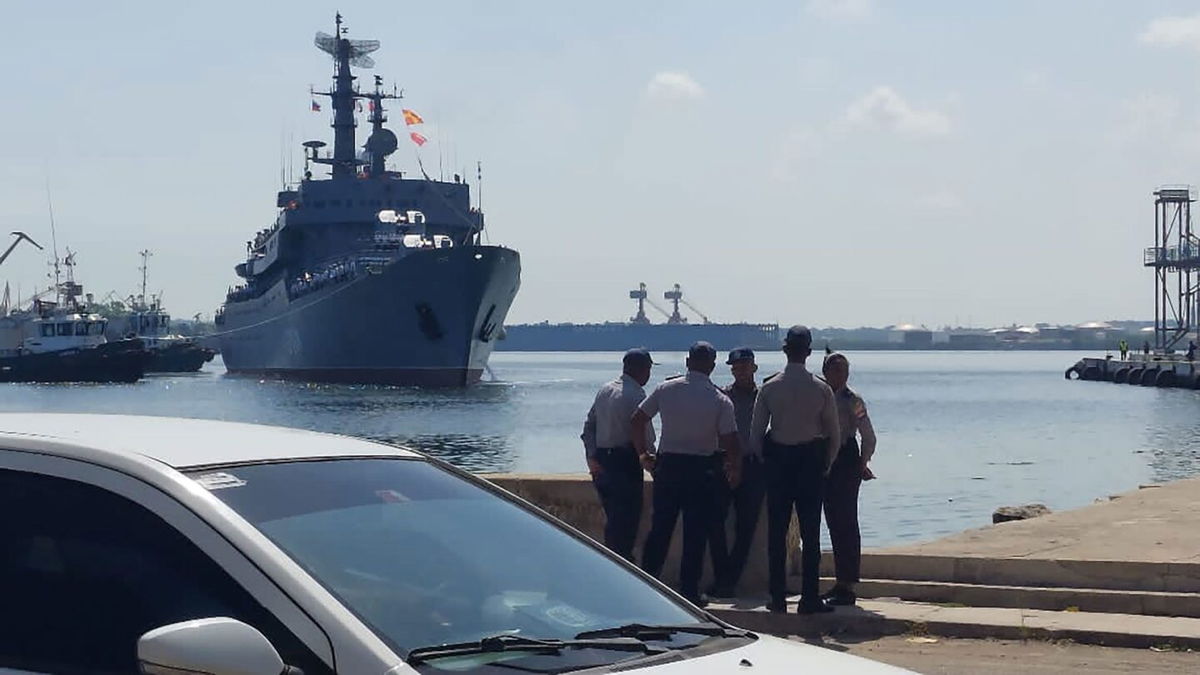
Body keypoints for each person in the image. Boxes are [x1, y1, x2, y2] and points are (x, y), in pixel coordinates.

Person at [632, 341, 742, 606]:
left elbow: (637, 419)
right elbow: (731, 441)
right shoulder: (719, 400)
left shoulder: (666, 389)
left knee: (660, 529)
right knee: (696, 533)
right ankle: (689, 591)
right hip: (701, 470)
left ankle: (646, 584)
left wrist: (643, 453)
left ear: (687, 361)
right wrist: (734, 467)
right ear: (713, 366)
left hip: (668, 467)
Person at [750, 325, 839, 614]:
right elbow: (834, 434)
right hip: (810, 460)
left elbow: (755, 434)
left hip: (779, 460)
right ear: (809, 353)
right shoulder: (821, 388)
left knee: (776, 533)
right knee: (811, 533)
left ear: (785, 350)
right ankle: (809, 598)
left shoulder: (770, 386)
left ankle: (777, 598)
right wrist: (825, 464)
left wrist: (765, 461)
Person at [580, 348, 656, 561]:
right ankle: (623, 565)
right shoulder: (636, 394)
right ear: (640, 369)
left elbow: (589, 426)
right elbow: (644, 433)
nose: (649, 374)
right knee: (626, 522)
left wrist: (591, 456)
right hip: (625, 462)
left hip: (603, 461)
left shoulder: (605, 390)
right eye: (648, 369)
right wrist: (653, 460)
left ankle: (614, 563)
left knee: (613, 520)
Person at [707, 347, 766, 599]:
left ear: (754, 367)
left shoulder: (765, 396)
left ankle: (728, 580)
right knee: (715, 522)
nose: (740, 371)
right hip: (724, 463)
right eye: (735, 367)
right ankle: (722, 576)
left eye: (744, 366)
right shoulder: (722, 397)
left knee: (746, 527)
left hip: (754, 466)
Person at [819, 352, 877, 607]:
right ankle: (838, 582)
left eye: (843, 370)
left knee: (846, 522)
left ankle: (847, 583)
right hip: (820, 457)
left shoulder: (853, 400)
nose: (839, 374)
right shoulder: (817, 396)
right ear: (825, 371)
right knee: (831, 522)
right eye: (834, 370)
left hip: (845, 459)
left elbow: (869, 436)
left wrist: (862, 463)